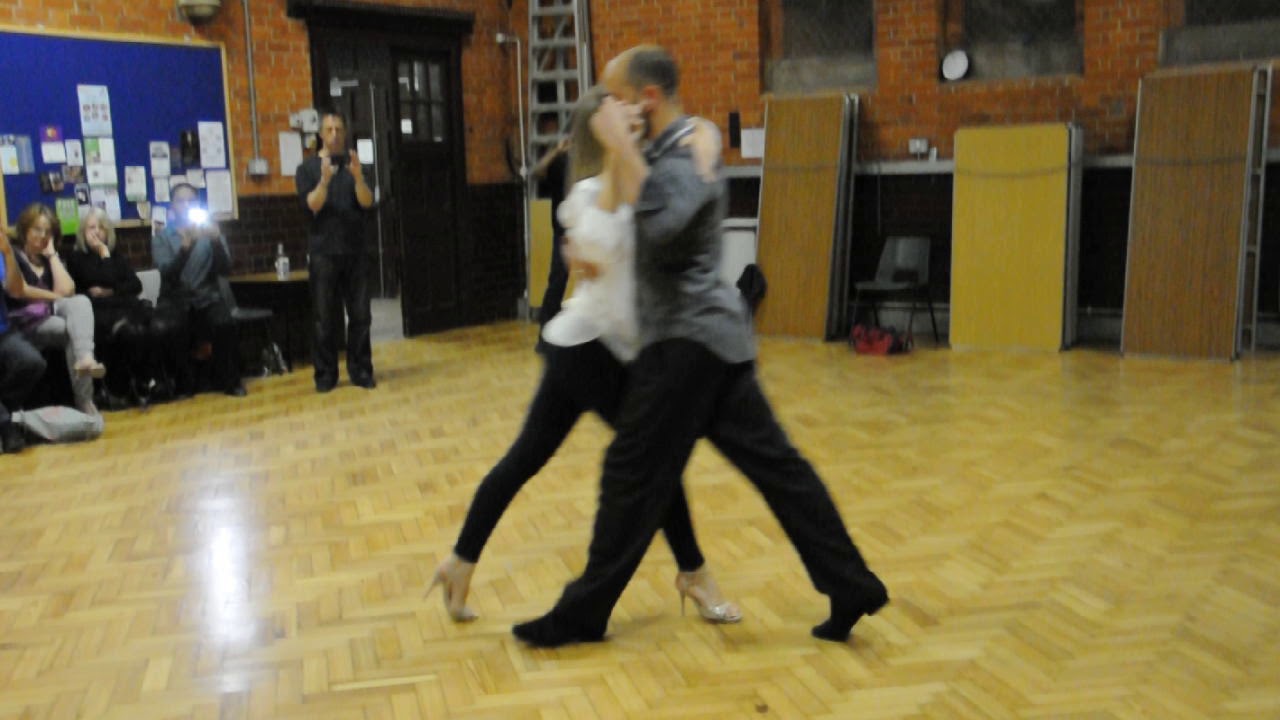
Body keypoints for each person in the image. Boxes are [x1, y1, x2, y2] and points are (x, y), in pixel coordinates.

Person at [513, 46, 888, 649]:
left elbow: (665, 222)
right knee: (777, 468)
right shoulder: (669, 147)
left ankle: (582, 614)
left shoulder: (691, 143)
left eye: (615, 96)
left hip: (688, 342)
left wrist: (624, 149)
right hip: (709, 342)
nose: (606, 108)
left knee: (630, 472)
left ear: (648, 98)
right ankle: (850, 582)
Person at [428, 87, 740, 626]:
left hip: (589, 346)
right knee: (653, 458)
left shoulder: (634, 184)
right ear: (600, 127)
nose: (632, 111)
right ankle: (694, 573)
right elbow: (598, 248)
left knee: (526, 458)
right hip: (590, 349)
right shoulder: (593, 193)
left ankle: (458, 563)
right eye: (617, 107)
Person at [66, 207, 183, 407]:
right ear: (82, 233)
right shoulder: (76, 258)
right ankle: (133, 383)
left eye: (101, 227)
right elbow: (88, 286)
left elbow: (135, 285)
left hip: (123, 305)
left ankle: (152, 381)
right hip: (98, 312)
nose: (96, 232)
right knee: (131, 332)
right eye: (91, 228)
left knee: (152, 326)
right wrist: (104, 258)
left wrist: (110, 290)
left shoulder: (115, 256)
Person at [295, 110, 376, 392]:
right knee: (324, 319)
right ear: (320, 134)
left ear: (345, 132)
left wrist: (358, 178)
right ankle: (326, 375)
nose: (334, 135)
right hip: (323, 253)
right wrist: (325, 180)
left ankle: (361, 370)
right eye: (329, 130)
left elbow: (367, 202)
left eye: (338, 129)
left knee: (361, 315)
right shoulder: (306, 169)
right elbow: (312, 205)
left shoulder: (356, 164)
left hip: (355, 252)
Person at [3, 203, 105, 416]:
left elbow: (67, 290)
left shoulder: (47, 258)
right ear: (25, 230)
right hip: (23, 323)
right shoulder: (13, 255)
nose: (42, 236)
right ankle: (84, 401)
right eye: (37, 230)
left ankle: (85, 360)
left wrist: (52, 256)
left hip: (48, 317)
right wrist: (54, 296)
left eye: (47, 231)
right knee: (71, 330)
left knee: (80, 302)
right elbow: (20, 290)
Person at [151, 183, 246, 397]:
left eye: (191, 201)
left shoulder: (208, 232)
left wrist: (216, 242)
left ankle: (231, 382)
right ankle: (184, 384)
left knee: (224, 322)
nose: (186, 206)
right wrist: (184, 249)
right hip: (176, 300)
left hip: (207, 297)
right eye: (180, 201)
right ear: (172, 207)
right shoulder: (162, 238)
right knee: (172, 328)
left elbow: (225, 268)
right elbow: (167, 274)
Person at [0, 227, 47, 453]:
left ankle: (4, 414)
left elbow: (16, 290)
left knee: (32, 362)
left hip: (3, 332)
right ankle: (6, 426)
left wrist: (8, 254)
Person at [532, 134, 571, 332]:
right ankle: (547, 327)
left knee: (559, 279)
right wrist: (556, 152)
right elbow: (538, 172)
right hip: (565, 230)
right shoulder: (561, 163)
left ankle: (549, 326)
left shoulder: (566, 161)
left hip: (567, 228)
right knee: (558, 279)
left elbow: (538, 171)